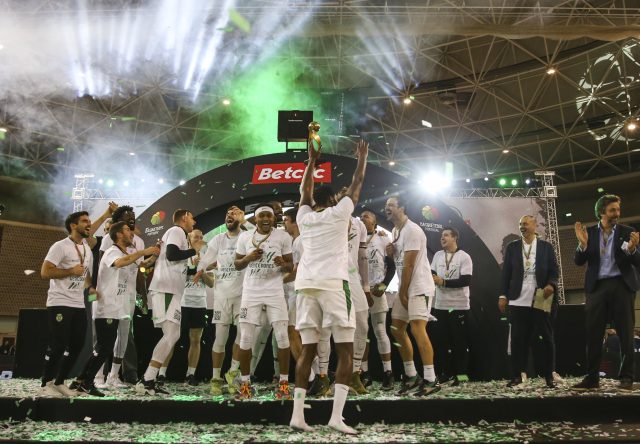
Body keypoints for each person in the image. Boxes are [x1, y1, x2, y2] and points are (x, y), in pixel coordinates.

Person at [290, 139, 368, 435]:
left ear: (313, 203)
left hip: (306, 285)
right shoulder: (340, 213)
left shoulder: (303, 217)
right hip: (334, 285)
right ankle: (336, 417)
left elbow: (304, 191)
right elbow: (356, 183)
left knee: (308, 351)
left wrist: (311, 161)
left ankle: (298, 415)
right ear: (334, 202)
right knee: (345, 350)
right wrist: (362, 158)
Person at [72, 222, 160, 396]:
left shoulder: (126, 253)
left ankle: (80, 380)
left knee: (105, 346)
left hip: (117, 308)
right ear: (119, 235)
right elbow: (120, 263)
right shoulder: (113, 251)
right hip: (107, 307)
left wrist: (155, 255)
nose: (132, 233)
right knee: (104, 347)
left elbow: (140, 266)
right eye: (128, 230)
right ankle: (88, 381)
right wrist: (142, 252)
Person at [573, 194, 640, 391]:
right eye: (612, 210)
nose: (616, 214)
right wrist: (583, 244)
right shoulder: (590, 233)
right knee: (594, 334)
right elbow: (578, 261)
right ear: (602, 212)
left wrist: (633, 249)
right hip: (597, 287)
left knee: (626, 333)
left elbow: (638, 262)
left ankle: (627, 378)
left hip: (621, 285)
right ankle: (592, 378)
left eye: (618, 210)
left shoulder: (628, 232)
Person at [136, 209, 204, 395]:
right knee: (171, 334)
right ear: (184, 218)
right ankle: (147, 379)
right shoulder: (177, 231)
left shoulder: (178, 233)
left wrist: (195, 272)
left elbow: (174, 263)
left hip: (170, 291)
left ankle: (148, 379)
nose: (194, 221)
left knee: (173, 335)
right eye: (192, 217)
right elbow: (172, 254)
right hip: (165, 290)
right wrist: (194, 249)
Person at [234, 204, 293, 399]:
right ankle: (245, 384)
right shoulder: (244, 237)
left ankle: (283, 384)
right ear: (256, 219)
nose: (266, 218)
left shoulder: (283, 237)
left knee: (283, 337)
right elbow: (236, 264)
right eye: (262, 216)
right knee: (245, 338)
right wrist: (249, 258)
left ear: (273, 218)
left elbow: (290, 266)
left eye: (269, 215)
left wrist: (283, 264)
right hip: (251, 292)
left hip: (275, 291)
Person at [39, 211, 97, 397]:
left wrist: (90, 287)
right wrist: (71, 270)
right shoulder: (60, 246)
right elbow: (45, 272)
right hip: (59, 301)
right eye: (85, 221)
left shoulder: (86, 248)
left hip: (78, 303)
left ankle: (60, 382)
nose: (89, 224)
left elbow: (84, 272)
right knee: (59, 343)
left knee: (78, 345)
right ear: (73, 225)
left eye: (89, 221)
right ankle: (45, 384)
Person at [97, 205, 155, 389]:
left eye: (133, 217)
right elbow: (107, 263)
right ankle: (97, 376)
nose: (132, 220)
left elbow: (139, 267)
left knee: (123, 336)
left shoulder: (138, 241)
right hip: (109, 295)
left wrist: (142, 294)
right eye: (127, 217)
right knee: (104, 338)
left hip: (127, 295)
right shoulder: (109, 240)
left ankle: (114, 376)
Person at [385, 195, 439, 397]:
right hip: (405, 288)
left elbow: (408, 264)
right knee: (397, 328)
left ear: (402, 208)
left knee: (418, 329)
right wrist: (391, 253)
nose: (387, 208)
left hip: (419, 286)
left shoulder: (413, 230)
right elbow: (400, 261)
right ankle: (411, 375)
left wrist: (403, 291)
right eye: (386, 205)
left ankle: (431, 379)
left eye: (391, 205)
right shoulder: (395, 230)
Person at [498, 216, 558, 389]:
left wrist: (551, 285)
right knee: (517, 339)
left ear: (535, 225)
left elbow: (554, 271)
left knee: (546, 338)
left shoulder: (546, 247)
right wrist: (502, 295)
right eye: (520, 224)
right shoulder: (513, 247)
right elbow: (506, 274)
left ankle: (549, 376)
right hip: (517, 298)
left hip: (541, 296)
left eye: (525, 224)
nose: (522, 227)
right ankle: (517, 375)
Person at [195, 207, 246, 395]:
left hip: (242, 295)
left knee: (242, 336)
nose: (229, 218)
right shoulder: (219, 239)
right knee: (220, 339)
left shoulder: (246, 237)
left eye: (234, 215)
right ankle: (216, 378)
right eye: (227, 216)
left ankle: (233, 373)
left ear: (240, 219)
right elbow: (207, 259)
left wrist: (245, 221)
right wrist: (200, 269)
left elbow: (260, 239)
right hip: (222, 295)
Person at [431, 227, 473, 386]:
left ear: (455, 238)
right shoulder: (437, 255)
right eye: (442, 236)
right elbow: (431, 274)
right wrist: (433, 278)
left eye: (446, 235)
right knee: (441, 343)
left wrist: (443, 282)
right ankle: (444, 374)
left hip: (459, 306)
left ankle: (461, 375)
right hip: (440, 306)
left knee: (459, 343)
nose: (442, 238)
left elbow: (466, 281)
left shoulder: (464, 257)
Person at [360, 209, 396, 390]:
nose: (362, 218)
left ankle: (388, 373)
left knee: (380, 330)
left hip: (376, 292)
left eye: (366, 216)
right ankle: (364, 374)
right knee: (361, 334)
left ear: (375, 222)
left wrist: (382, 287)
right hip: (359, 292)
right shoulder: (353, 238)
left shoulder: (384, 238)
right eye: (361, 217)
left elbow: (391, 266)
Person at [180, 229, 214, 385]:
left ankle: (190, 374)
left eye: (201, 237)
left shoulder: (207, 257)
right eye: (196, 237)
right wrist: (192, 268)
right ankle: (161, 374)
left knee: (196, 340)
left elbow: (211, 283)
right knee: (171, 337)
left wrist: (202, 270)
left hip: (199, 302)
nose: (199, 239)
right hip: (181, 301)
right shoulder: (181, 254)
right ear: (189, 238)